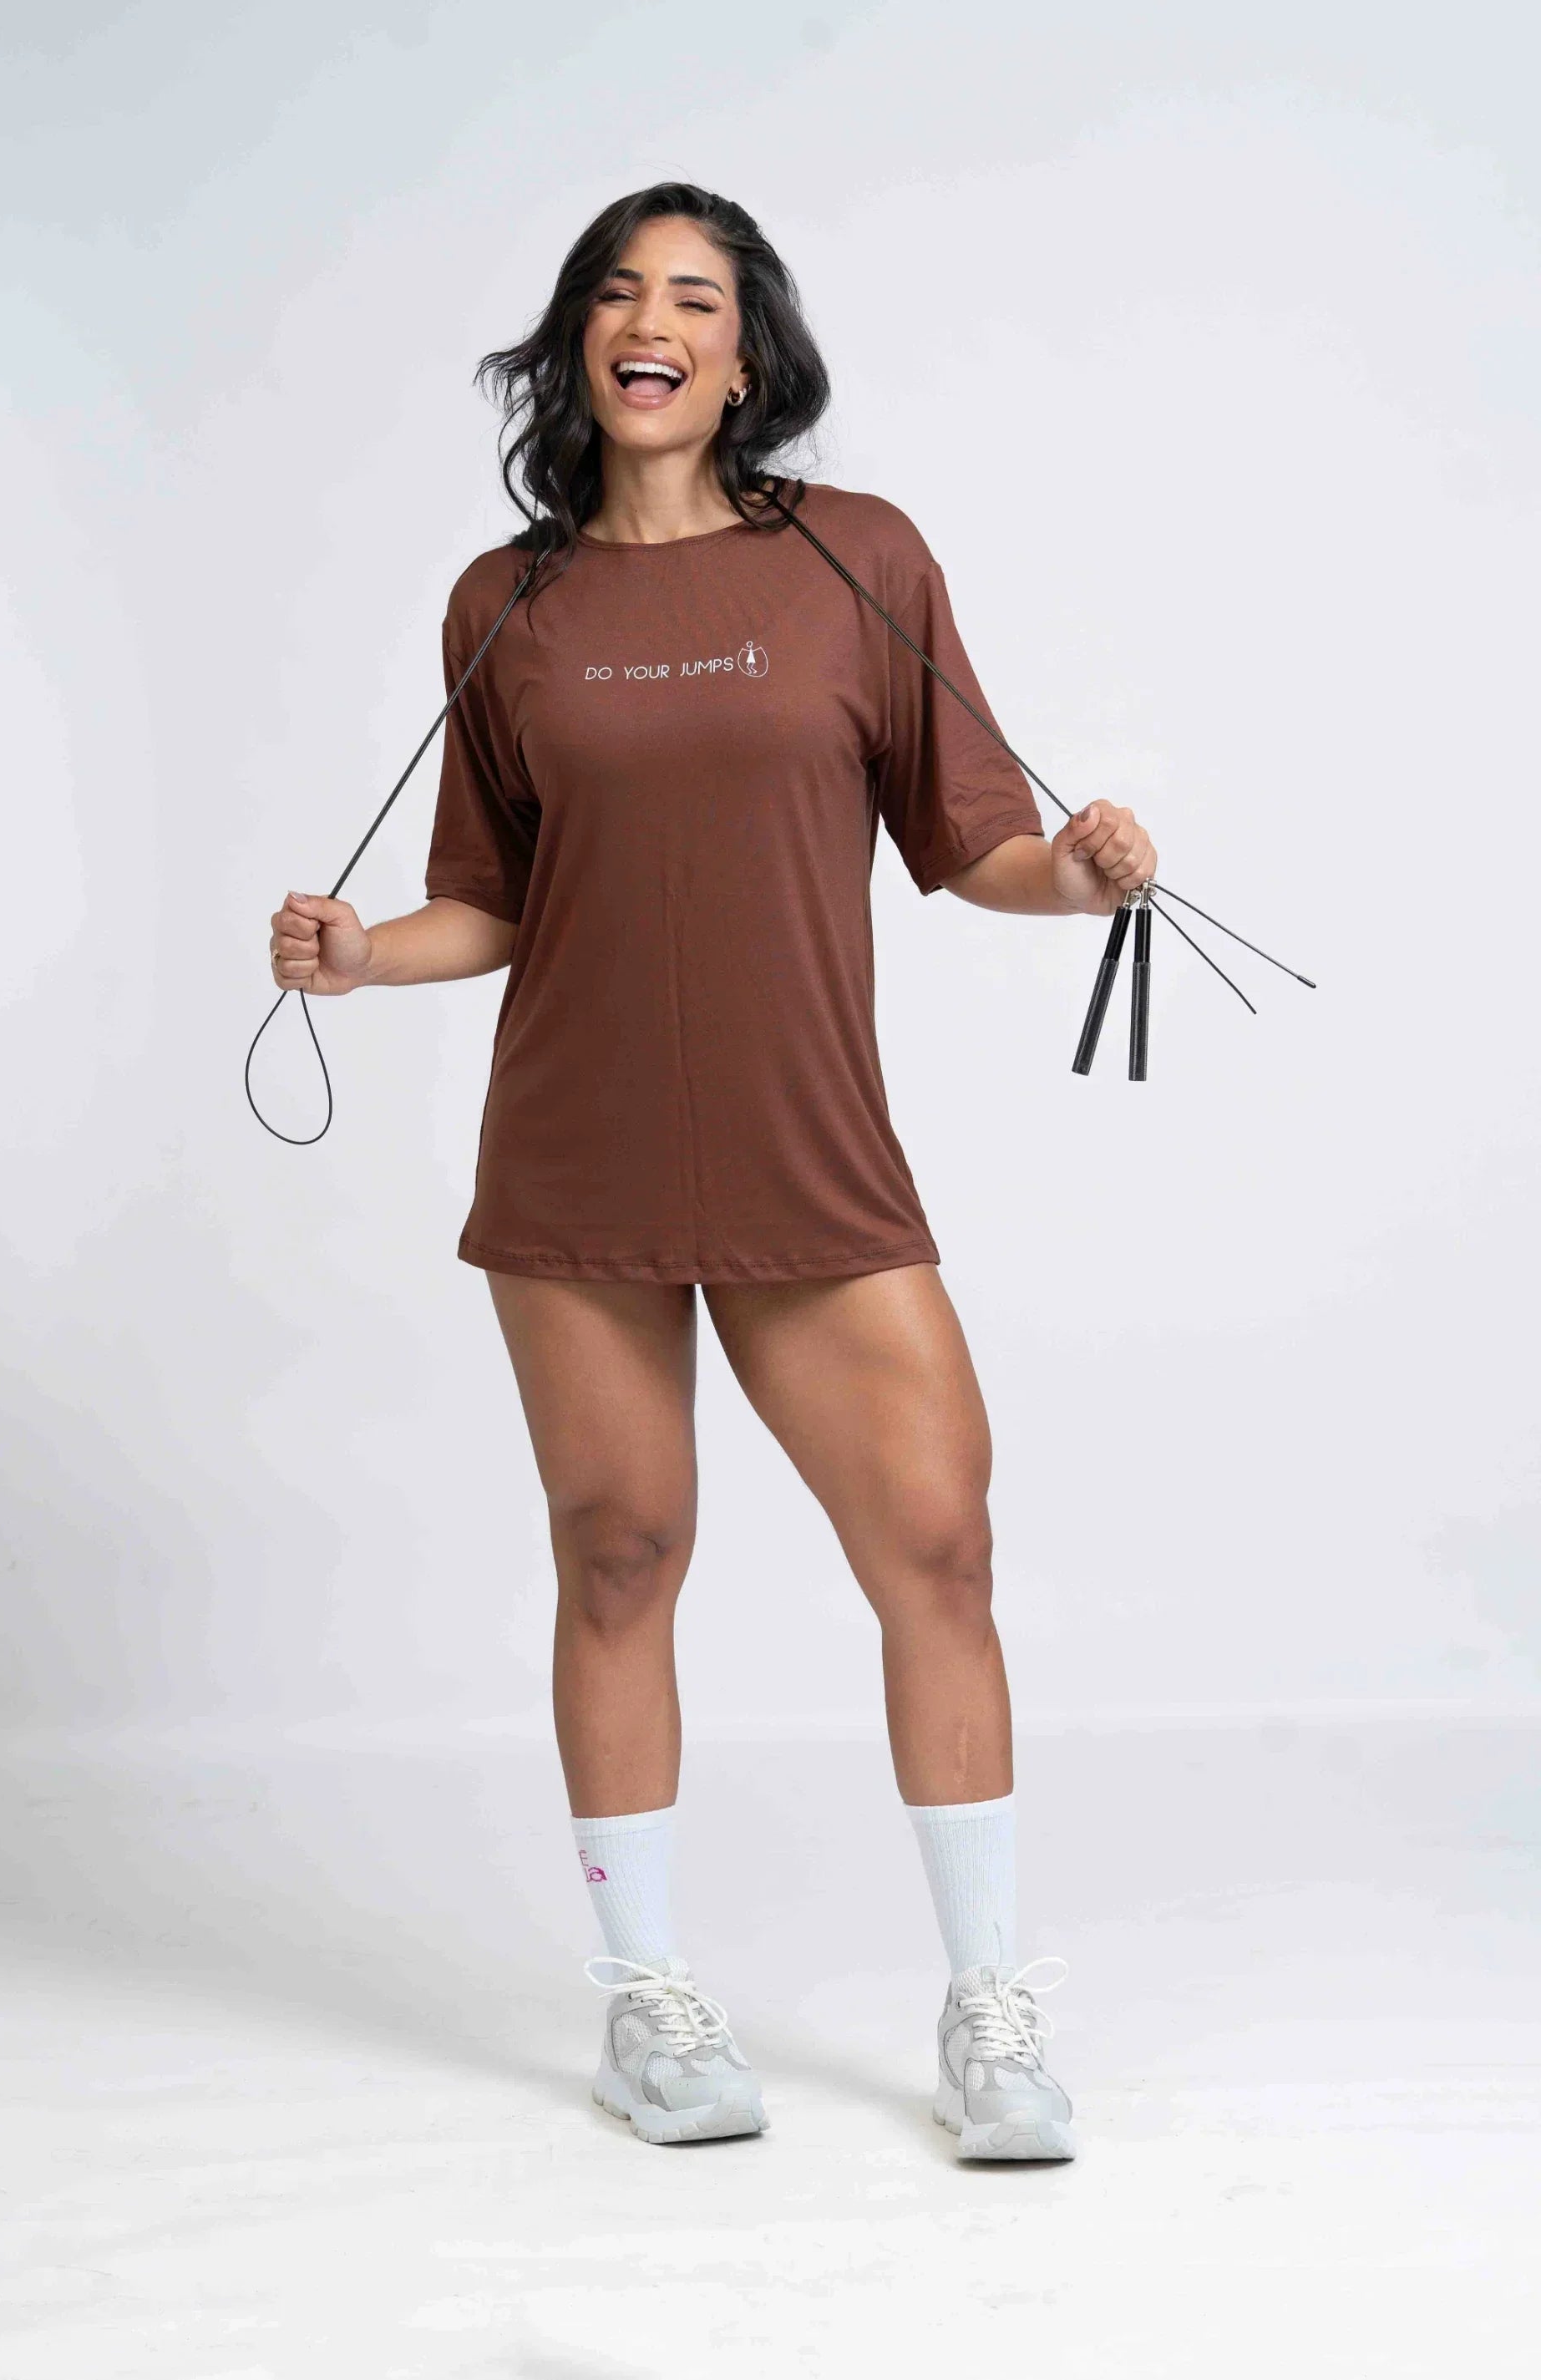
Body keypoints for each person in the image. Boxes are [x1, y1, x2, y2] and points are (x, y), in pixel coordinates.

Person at [266, 183, 1156, 2161]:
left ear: (747, 358)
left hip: (803, 1146)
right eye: (616, 292)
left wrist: (1082, 880)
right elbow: (490, 897)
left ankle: (990, 2011)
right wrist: (358, 953)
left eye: (693, 296)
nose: (649, 322)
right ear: (579, 342)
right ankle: (647, 2000)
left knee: (939, 1548)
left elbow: (973, 844)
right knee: (620, 1552)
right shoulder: (504, 602)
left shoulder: (860, 559)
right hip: (575, 1151)